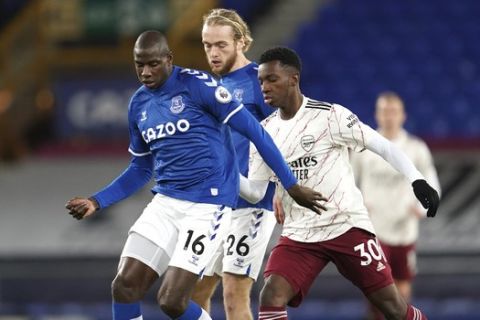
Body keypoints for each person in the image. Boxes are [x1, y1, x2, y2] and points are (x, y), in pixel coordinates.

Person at [65, 32, 326, 320]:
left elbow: (256, 132)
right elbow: (141, 169)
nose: (146, 72)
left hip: (207, 206)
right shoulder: (138, 105)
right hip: (165, 203)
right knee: (124, 287)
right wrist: (97, 201)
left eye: (153, 64)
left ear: (169, 60)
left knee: (172, 301)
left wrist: (290, 184)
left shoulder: (199, 86)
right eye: (139, 64)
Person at [239, 47, 440, 320]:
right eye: (261, 81)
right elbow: (255, 192)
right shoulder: (265, 132)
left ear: (293, 79)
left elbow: (380, 145)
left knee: (393, 307)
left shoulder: (329, 116)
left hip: (346, 225)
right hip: (301, 234)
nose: (264, 87)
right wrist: (225, 173)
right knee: (271, 295)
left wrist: (416, 179)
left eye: (272, 79)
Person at [190, 9, 277, 320]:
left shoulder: (259, 82)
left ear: (241, 42)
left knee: (233, 294)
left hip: (253, 204)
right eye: (207, 45)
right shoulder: (211, 88)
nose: (213, 53)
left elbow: (285, 135)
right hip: (219, 204)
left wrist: (285, 189)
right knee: (194, 291)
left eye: (221, 45)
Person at [350, 92, 441, 320]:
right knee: (375, 290)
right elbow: (349, 181)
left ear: (403, 115)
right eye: (384, 111)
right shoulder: (365, 147)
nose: (389, 116)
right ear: (377, 115)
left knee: (401, 290)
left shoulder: (416, 148)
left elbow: (432, 184)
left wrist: (420, 209)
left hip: (403, 230)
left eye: (393, 111)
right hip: (373, 230)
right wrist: (357, 207)